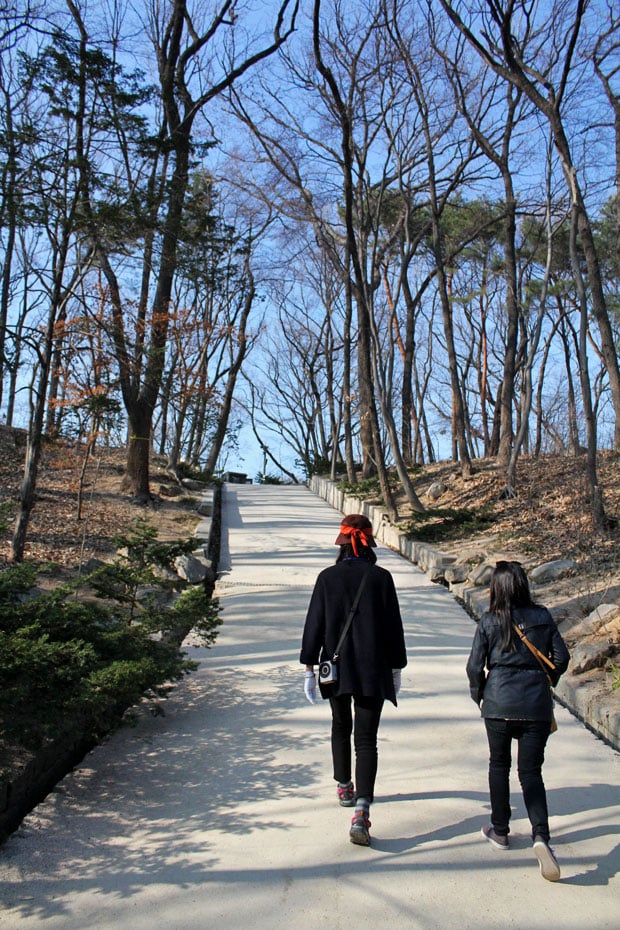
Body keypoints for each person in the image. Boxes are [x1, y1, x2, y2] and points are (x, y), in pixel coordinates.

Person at [300, 513, 407, 847]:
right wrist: (397, 667)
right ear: (368, 542)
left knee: (339, 725)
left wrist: (308, 665)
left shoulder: (327, 578)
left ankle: (345, 785)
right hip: (373, 668)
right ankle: (362, 809)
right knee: (366, 738)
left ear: (343, 544)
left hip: (337, 666)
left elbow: (314, 622)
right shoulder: (381, 578)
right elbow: (393, 626)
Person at [466, 560, 570, 881]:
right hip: (535, 704)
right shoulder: (542, 617)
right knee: (531, 772)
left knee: (499, 765)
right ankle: (540, 835)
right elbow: (561, 658)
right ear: (523, 584)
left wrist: (480, 695)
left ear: (496, 588)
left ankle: (500, 830)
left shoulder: (488, 620)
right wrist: (547, 681)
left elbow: (473, 667)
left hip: (498, 702)